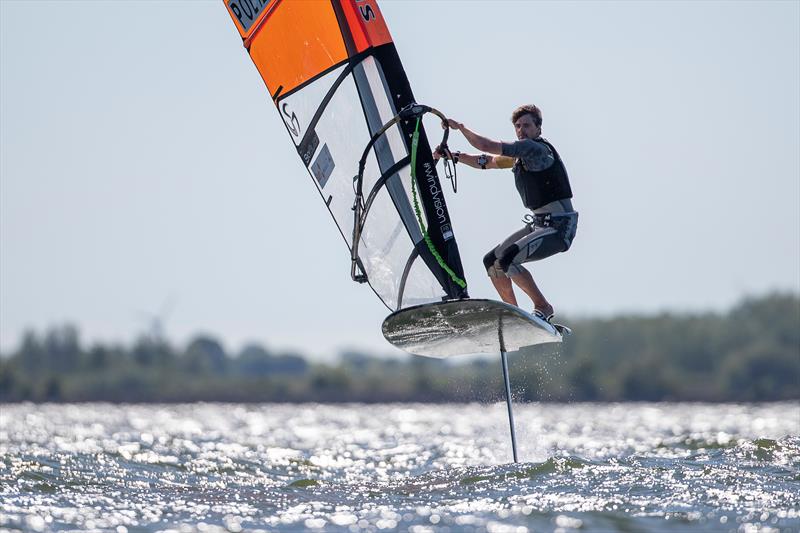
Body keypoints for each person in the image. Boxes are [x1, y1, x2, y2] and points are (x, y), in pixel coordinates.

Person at [434, 104, 577, 321]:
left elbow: (486, 145)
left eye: (527, 125)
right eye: (518, 126)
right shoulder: (519, 157)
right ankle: (514, 314)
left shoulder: (535, 149)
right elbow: (487, 162)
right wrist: (454, 156)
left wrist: (461, 128)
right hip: (540, 224)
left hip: (559, 227)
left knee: (509, 258)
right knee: (492, 261)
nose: (522, 130)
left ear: (538, 128)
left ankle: (543, 307)